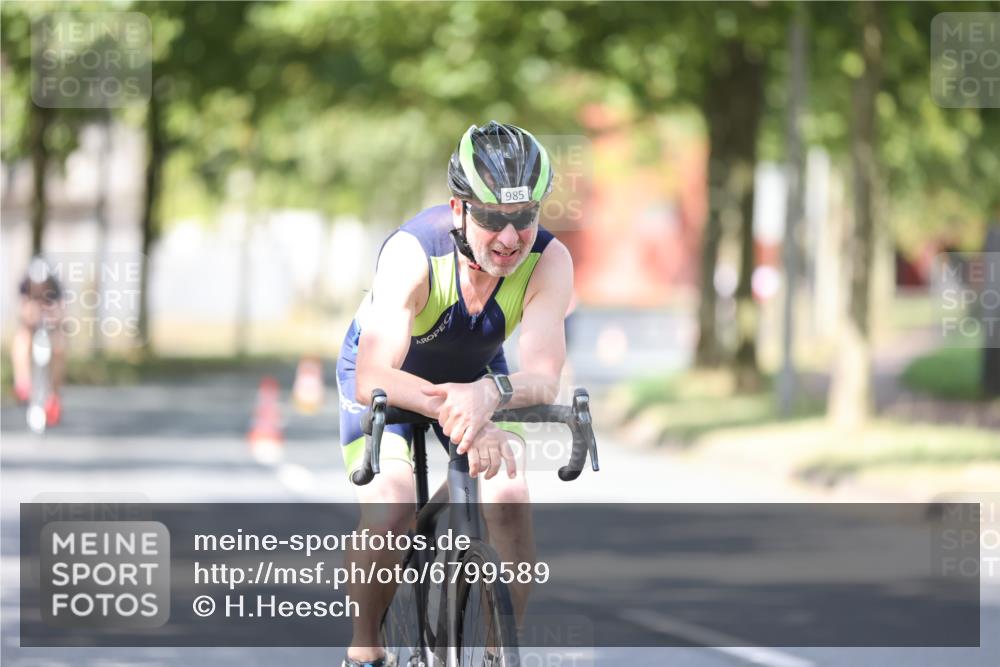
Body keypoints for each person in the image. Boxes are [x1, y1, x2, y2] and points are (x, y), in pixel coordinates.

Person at [336, 121, 573, 667]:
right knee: (393, 509)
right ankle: (365, 648)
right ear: (459, 209)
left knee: (509, 497)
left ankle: (498, 651)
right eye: (492, 218)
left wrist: (488, 396)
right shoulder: (413, 253)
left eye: (525, 217)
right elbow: (373, 375)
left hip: (475, 374)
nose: (510, 237)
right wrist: (465, 414)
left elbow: (543, 376)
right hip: (392, 377)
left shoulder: (550, 260)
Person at [10, 255, 66, 426]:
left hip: (51, 328)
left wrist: (54, 316)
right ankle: (23, 383)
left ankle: (54, 396)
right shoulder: (25, 286)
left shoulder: (56, 287)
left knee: (59, 347)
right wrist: (30, 314)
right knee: (22, 339)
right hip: (31, 327)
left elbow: (62, 312)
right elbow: (21, 311)